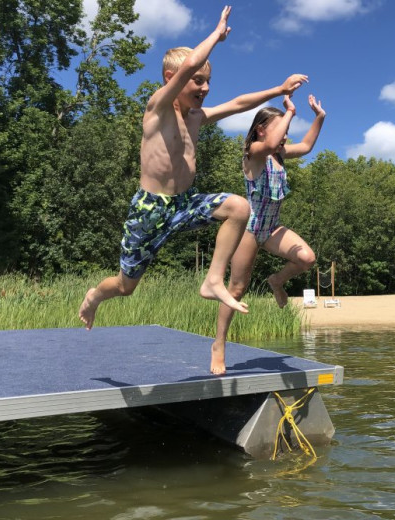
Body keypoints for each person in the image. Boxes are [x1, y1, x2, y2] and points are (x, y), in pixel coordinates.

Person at [78, 6, 309, 353]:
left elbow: (238, 103)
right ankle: (95, 295)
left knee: (238, 207)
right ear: (171, 78)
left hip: (184, 203)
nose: (204, 87)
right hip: (150, 208)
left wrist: (278, 89)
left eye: (208, 81)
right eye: (198, 80)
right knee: (126, 286)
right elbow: (187, 64)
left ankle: (213, 279)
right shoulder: (157, 108)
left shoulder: (197, 117)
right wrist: (215, 36)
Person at [210, 93, 326, 374]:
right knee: (236, 289)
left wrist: (319, 117)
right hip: (248, 229)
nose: (286, 134)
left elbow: (308, 145)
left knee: (307, 258)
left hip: (272, 227)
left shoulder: (279, 154)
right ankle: (219, 344)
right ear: (261, 129)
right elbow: (272, 142)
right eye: (280, 128)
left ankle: (277, 280)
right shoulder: (255, 151)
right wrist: (291, 111)